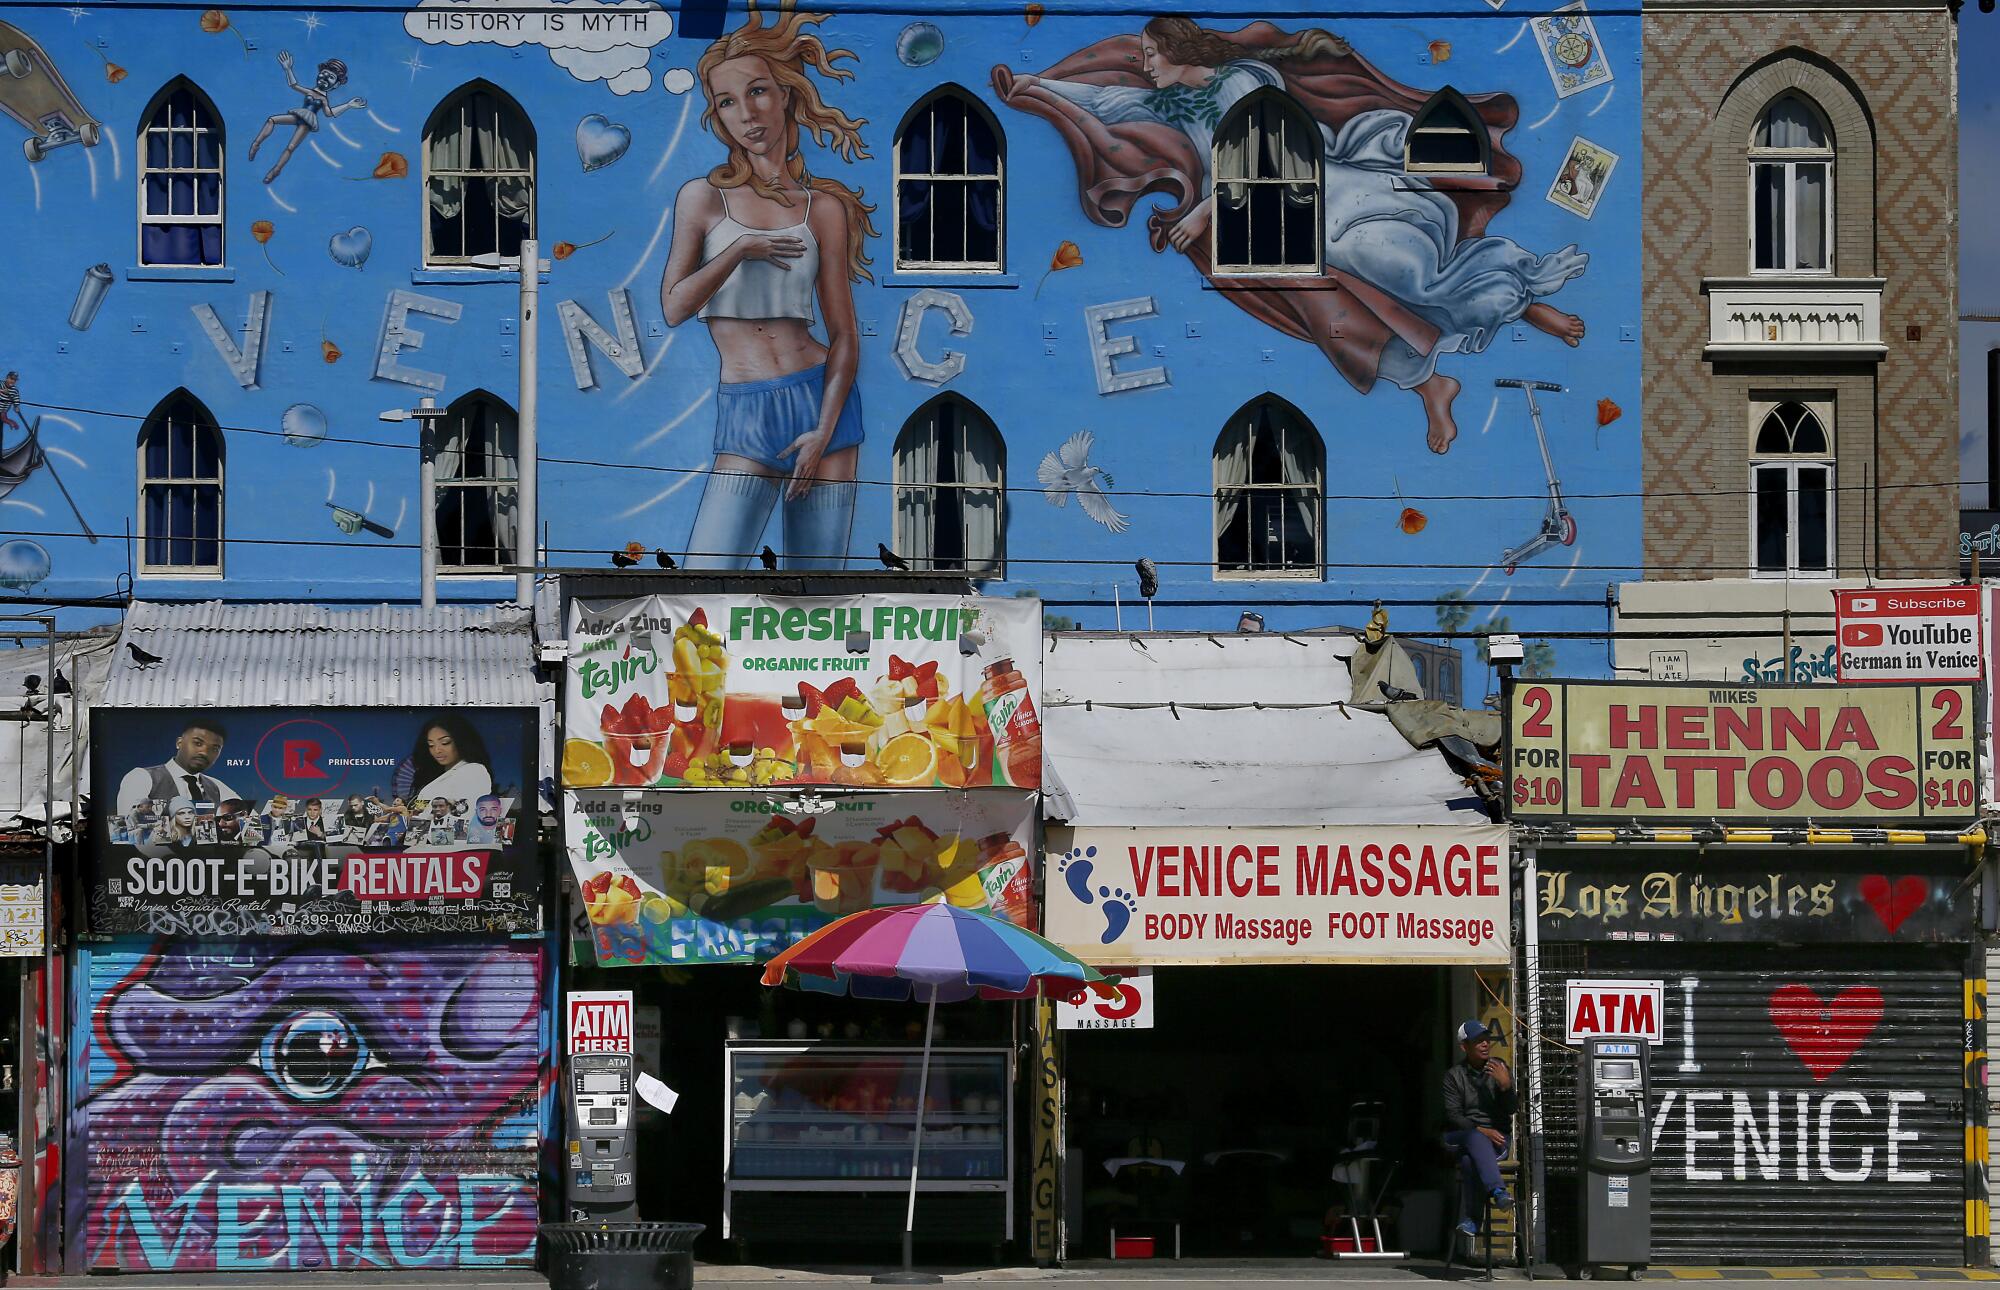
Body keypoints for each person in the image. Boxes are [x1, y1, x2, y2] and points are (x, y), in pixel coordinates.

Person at [993, 16, 1588, 453]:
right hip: (1275, 232)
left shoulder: (1243, 80)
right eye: (1143, 54)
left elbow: (1264, 149)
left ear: (1177, 46)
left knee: (1409, 275)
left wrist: (1203, 213)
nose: (1144, 63)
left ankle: (1524, 295)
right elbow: (1103, 97)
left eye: (1151, 51)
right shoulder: (1168, 106)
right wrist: (1037, 87)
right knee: (1345, 325)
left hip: (1318, 193)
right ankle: (1434, 384)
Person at [660, 4, 877, 570]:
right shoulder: (703, 199)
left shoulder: (822, 209)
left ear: (786, 96)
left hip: (821, 401)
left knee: (817, 589)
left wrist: (823, 431)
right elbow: (675, 305)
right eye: (727, 102)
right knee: (703, 581)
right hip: (747, 404)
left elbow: (846, 335)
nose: (746, 113)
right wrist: (739, 250)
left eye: (758, 92)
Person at [1443, 1019, 1516, 1239]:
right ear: (1465, 1047)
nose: (1485, 1045)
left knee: (1469, 1160)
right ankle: (1498, 1191)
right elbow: (1454, 1115)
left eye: (1486, 1040)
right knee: (1474, 1137)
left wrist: (1506, 1087)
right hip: (1463, 1136)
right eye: (1478, 1041)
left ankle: (1473, 1220)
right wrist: (1480, 1130)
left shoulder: (1500, 1069)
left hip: (1496, 1140)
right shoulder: (1454, 1076)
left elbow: (1511, 1109)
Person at [248, 52, 366, 185]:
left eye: (331, 77)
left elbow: (329, 113)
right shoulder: (310, 92)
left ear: (336, 85)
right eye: (324, 73)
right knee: (272, 119)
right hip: (299, 115)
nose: (325, 78)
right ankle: (256, 144)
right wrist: (288, 69)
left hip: (307, 122)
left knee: (290, 147)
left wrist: (348, 105)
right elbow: (294, 85)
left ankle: (276, 170)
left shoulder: (323, 99)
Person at [115, 717, 238, 816]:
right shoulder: (142, 777)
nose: (204, 752)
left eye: (214, 748)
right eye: (198, 743)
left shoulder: (216, 786)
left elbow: (249, 820)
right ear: (179, 743)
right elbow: (134, 832)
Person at [406, 714, 493, 803]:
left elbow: (465, 811)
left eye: (445, 742)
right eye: (431, 745)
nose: (437, 750)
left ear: (461, 741)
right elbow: (421, 812)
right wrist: (407, 815)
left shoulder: (474, 771)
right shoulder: (436, 777)